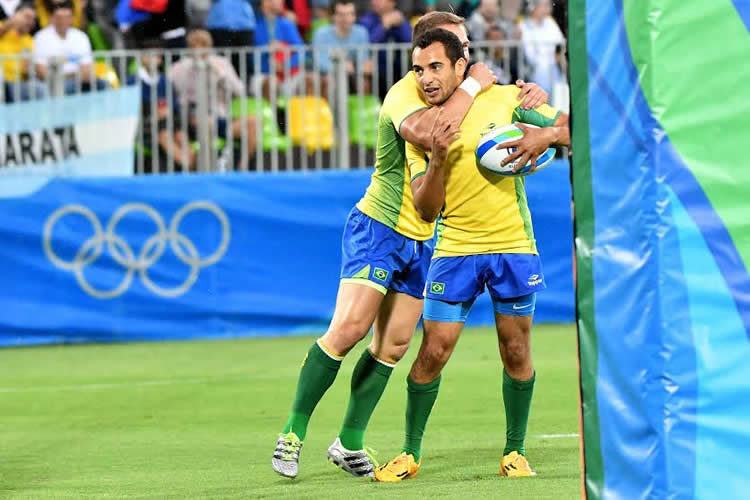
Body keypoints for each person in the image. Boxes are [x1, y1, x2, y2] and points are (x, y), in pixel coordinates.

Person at [271, 10, 549, 480]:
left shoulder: (462, 88)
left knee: (394, 345)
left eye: (463, 51)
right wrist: (475, 87)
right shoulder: (405, 92)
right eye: (457, 48)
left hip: (422, 240)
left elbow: (515, 123)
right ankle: (292, 433)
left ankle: (350, 441)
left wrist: (530, 99)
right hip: (380, 226)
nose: (467, 58)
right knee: (350, 328)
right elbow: (429, 132)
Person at [374, 28, 569, 482]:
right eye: (418, 69)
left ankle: (515, 452)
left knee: (516, 349)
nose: (425, 78)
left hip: (512, 246)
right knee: (433, 353)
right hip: (454, 250)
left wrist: (548, 136)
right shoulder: (422, 125)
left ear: (462, 65)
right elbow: (425, 208)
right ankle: (409, 452)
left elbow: (580, 128)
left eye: (435, 67)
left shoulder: (508, 97)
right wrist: (439, 158)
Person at [168, 30, 257, 168]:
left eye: (203, 45)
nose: (199, 50)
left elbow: (239, 90)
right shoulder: (180, 67)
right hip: (192, 118)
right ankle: (208, 168)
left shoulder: (221, 63)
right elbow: (169, 90)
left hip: (220, 117)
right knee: (205, 121)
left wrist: (220, 74)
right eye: (195, 46)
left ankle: (242, 168)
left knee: (252, 122)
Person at [32, 1, 106, 94]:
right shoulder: (41, 37)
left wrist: (67, 76)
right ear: (52, 18)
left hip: (78, 81)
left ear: (72, 18)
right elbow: (41, 72)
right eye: (59, 18)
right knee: (63, 88)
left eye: (67, 17)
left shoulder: (81, 36)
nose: (63, 21)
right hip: (53, 84)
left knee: (102, 84)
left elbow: (87, 70)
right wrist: (70, 76)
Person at [311, 0, 371, 94]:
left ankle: (361, 108)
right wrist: (340, 67)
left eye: (349, 14)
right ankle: (329, 109)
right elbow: (320, 62)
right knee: (328, 81)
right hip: (327, 74)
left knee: (364, 82)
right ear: (333, 16)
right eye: (341, 14)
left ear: (354, 16)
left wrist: (357, 67)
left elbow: (363, 59)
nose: (345, 18)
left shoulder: (361, 32)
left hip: (352, 74)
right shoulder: (321, 33)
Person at [0, 3, 46, 102]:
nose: (30, 22)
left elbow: (26, 71)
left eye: (33, 19)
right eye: (27, 17)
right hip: (2, 81)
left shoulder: (29, 40)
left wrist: (31, 69)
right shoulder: (3, 28)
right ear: (15, 15)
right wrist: (10, 23)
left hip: (16, 84)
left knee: (40, 89)